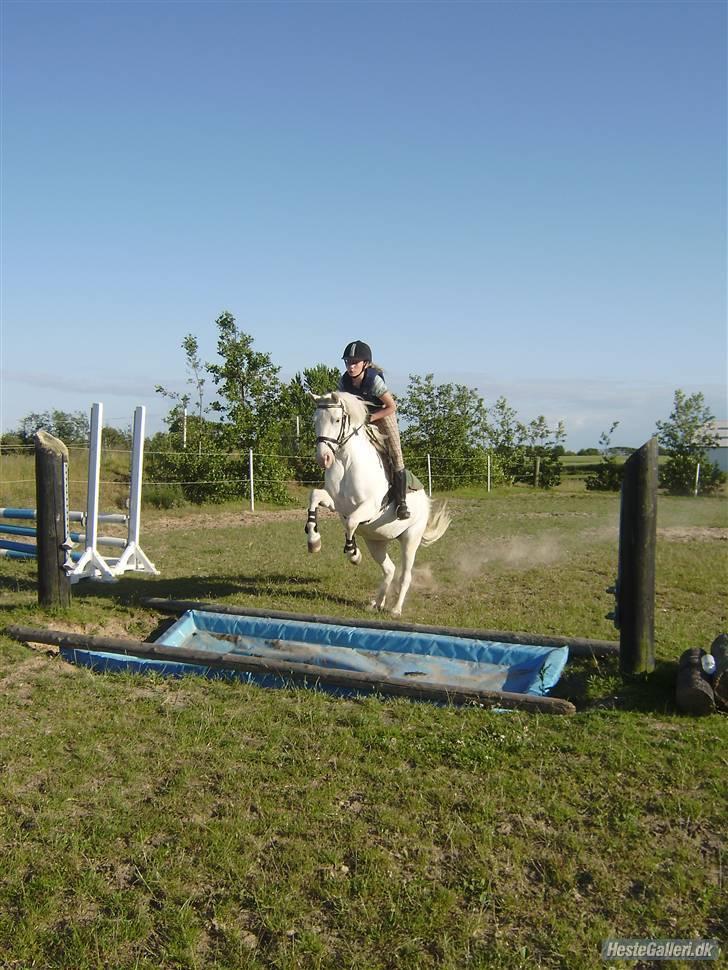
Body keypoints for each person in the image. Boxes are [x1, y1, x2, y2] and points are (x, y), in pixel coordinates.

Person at [338, 340, 410, 519]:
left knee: (395, 453)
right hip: (361, 418)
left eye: (355, 362)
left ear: (366, 364)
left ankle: (401, 503)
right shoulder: (344, 381)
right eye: (348, 362)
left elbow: (392, 406)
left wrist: (371, 418)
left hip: (383, 415)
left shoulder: (374, 381)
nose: (350, 366)